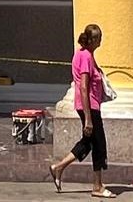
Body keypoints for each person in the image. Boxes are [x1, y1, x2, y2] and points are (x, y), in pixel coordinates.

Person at [50, 23, 111, 197]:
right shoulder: (85, 57)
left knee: (88, 142)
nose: (101, 41)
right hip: (89, 106)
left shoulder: (86, 55)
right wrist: (88, 119)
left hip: (90, 105)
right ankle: (97, 186)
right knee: (99, 144)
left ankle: (58, 167)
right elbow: (84, 87)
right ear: (92, 40)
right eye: (98, 38)